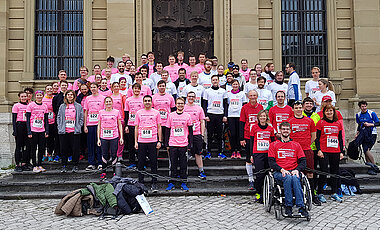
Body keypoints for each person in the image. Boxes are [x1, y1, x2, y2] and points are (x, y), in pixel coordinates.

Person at [268, 121, 309, 217]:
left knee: (294, 178)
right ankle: (288, 205)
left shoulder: (296, 145)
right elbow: (271, 162)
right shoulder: (274, 145)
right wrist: (281, 169)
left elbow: (303, 161)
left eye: (287, 129)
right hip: (279, 172)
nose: (285, 131)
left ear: (290, 131)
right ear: (280, 131)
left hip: (293, 171)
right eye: (283, 129)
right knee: (288, 177)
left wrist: (297, 170)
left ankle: (301, 206)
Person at [287, 101, 321, 206]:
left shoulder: (309, 121)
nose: (298, 109)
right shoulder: (289, 121)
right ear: (293, 109)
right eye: (296, 108)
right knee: (293, 174)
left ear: (303, 108)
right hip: (293, 152)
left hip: (307, 150)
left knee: (310, 173)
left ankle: (312, 195)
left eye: (300, 107)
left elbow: (314, 136)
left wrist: (305, 145)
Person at [315, 105, 344, 203]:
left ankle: (334, 192)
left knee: (335, 172)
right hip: (324, 151)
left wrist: (341, 151)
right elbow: (317, 138)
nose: (329, 113)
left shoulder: (338, 124)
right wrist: (319, 150)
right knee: (323, 171)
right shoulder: (320, 123)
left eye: (330, 111)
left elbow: (340, 138)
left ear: (333, 112)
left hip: (335, 151)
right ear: (324, 113)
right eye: (327, 111)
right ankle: (320, 193)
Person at [135, 95, 162, 192]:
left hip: (153, 140)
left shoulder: (156, 112)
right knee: (141, 162)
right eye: (145, 101)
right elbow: (136, 127)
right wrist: (136, 141)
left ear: (151, 102)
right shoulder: (139, 113)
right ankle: (140, 182)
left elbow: (159, 127)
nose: (147, 102)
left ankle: (154, 182)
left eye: (149, 101)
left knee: (153, 162)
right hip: (142, 140)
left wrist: (159, 140)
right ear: (143, 102)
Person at [166, 98, 193, 191]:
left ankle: (183, 182)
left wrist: (190, 143)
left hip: (183, 144)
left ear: (184, 104)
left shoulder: (187, 116)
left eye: (182, 103)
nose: (180, 105)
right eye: (178, 103)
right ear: (176, 105)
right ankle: (171, 182)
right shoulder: (171, 115)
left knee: (183, 165)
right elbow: (167, 129)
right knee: (173, 164)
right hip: (173, 143)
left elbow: (190, 131)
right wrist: (166, 143)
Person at [239, 90, 264, 190]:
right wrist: (241, 138)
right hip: (248, 136)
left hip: (259, 136)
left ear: (257, 96)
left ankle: (260, 178)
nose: (253, 97)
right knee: (249, 158)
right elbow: (241, 122)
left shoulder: (260, 107)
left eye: (254, 95)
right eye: (251, 95)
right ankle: (251, 179)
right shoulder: (245, 107)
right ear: (248, 97)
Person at [250, 110, 275, 203]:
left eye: (264, 116)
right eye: (261, 116)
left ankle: (267, 192)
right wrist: (251, 155)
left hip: (268, 154)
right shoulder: (254, 127)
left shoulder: (270, 128)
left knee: (268, 174)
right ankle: (258, 192)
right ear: (258, 118)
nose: (263, 118)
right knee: (259, 174)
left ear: (266, 117)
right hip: (258, 153)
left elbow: (273, 142)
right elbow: (252, 141)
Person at [57, 90, 84, 173]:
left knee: (75, 149)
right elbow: (58, 117)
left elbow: (81, 118)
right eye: (68, 95)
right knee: (63, 148)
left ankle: (75, 165)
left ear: (74, 96)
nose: (70, 96)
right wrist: (59, 126)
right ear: (66, 96)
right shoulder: (62, 106)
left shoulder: (78, 106)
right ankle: (64, 165)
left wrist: (79, 126)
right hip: (64, 131)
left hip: (75, 131)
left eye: (71, 95)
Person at [202, 75, 228, 159]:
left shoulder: (223, 91)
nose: (215, 81)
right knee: (210, 134)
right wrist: (205, 115)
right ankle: (208, 152)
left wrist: (225, 115)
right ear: (211, 81)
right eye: (213, 80)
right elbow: (204, 104)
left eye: (216, 80)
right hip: (210, 114)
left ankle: (220, 152)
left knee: (219, 135)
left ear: (219, 81)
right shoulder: (207, 91)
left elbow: (225, 104)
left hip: (220, 114)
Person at [184, 91, 207, 179]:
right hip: (185, 134)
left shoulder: (199, 108)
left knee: (198, 153)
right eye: (189, 96)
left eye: (193, 96)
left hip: (196, 133)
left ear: (195, 98)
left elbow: (202, 121)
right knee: (184, 154)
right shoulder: (184, 107)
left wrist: (202, 134)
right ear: (187, 97)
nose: (191, 98)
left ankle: (201, 171)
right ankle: (183, 172)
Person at [97, 97, 124, 173]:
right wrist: (98, 138)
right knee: (104, 154)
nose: (108, 103)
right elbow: (99, 126)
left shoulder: (117, 112)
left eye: (110, 101)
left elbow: (120, 125)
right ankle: (104, 172)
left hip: (114, 136)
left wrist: (121, 137)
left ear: (112, 103)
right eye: (107, 102)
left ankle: (114, 172)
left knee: (114, 153)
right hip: (104, 136)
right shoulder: (101, 112)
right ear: (104, 103)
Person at [84, 83, 105, 171]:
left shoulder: (103, 98)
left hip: (99, 124)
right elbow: (86, 112)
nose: (93, 89)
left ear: (98, 88)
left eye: (94, 87)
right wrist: (85, 125)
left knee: (99, 143)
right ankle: (91, 162)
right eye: (91, 87)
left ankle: (100, 162)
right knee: (91, 144)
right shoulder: (88, 98)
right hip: (90, 124)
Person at [26, 90, 49, 173]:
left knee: (41, 148)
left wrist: (47, 130)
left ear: (43, 96)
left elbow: (46, 119)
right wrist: (29, 131)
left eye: (41, 95)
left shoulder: (45, 106)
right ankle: (34, 165)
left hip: (42, 130)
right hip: (33, 130)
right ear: (35, 96)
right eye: (38, 95)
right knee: (33, 148)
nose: (39, 96)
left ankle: (39, 164)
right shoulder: (30, 105)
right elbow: (27, 119)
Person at [124, 83, 144, 167]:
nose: (136, 90)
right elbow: (126, 113)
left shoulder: (143, 99)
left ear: (140, 90)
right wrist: (126, 125)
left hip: (141, 125)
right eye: (135, 88)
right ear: (132, 90)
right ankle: (132, 162)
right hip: (131, 124)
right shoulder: (128, 100)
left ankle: (141, 162)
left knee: (141, 144)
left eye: (138, 89)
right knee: (131, 144)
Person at [152, 80, 176, 150]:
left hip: (167, 122)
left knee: (167, 143)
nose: (161, 87)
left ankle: (170, 159)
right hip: (157, 122)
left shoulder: (170, 97)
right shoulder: (153, 97)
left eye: (163, 86)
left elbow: (173, 109)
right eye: (160, 86)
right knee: (157, 143)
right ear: (157, 87)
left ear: (165, 87)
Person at [226, 80, 247, 158]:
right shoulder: (228, 94)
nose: (235, 86)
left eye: (236, 84)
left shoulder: (242, 94)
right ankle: (233, 151)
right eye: (233, 84)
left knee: (239, 134)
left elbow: (244, 105)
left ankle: (238, 150)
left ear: (239, 85)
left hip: (240, 116)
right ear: (231, 85)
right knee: (233, 134)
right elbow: (227, 104)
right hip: (231, 115)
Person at [355, 100, 379, 167]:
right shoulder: (358, 115)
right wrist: (357, 133)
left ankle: (374, 165)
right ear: (360, 107)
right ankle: (369, 166)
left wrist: (369, 124)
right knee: (365, 149)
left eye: (365, 106)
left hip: (371, 133)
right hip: (363, 134)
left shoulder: (371, 113)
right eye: (362, 106)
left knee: (366, 149)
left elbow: (378, 123)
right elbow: (359, 125)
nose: (364, 108)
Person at [12, 91, 30, 172]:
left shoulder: (29, 105)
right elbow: (14, 119)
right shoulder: (16, 105)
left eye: (25, 96)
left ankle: (24, 163)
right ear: (19, 97)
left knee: (26, 146)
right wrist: (15, 130)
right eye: (22, 96)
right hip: (19, 125)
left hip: (27, 126)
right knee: (19, 146)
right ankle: (17, 164)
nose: (23, 98)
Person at [52, 80, 69, 162]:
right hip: (59, 120)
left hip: (69, 120)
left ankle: (69, 155)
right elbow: (54, 108)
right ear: (60, 86)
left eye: (65, 85)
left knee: (68, 139)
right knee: (58, 138)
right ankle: (57, 154)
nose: (64, 86)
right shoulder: (56, 97)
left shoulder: (70, 96)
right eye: (62, 85)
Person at [109, 82, 127, 160]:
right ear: (112, 88)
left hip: (120, 119)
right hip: (110, 119)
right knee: (110, 137)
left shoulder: (122, 96)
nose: (116, 88)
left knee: (120, 137)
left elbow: (125, 108)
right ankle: (111, 154)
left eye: (117, 86)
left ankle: (119, 154)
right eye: (114, 86)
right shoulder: (109, 97)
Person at [76, 84, 91, 160]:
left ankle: (89, 153)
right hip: (80, 118)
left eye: (85, 89)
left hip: (90, 119)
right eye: (82, 89)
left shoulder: (90, 96)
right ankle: (82, 153)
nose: (84, 91)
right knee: (81, 138)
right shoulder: (78, 98)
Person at [42, 84, 56, 162]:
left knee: (51, 139)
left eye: (51, 89)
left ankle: (50, 154)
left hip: (52, 121)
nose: (50, 90)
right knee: (44, 140)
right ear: (45, 90)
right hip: (44, 122)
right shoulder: (43, 99)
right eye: (48, 89)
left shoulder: (54, 98)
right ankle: (43, 155)